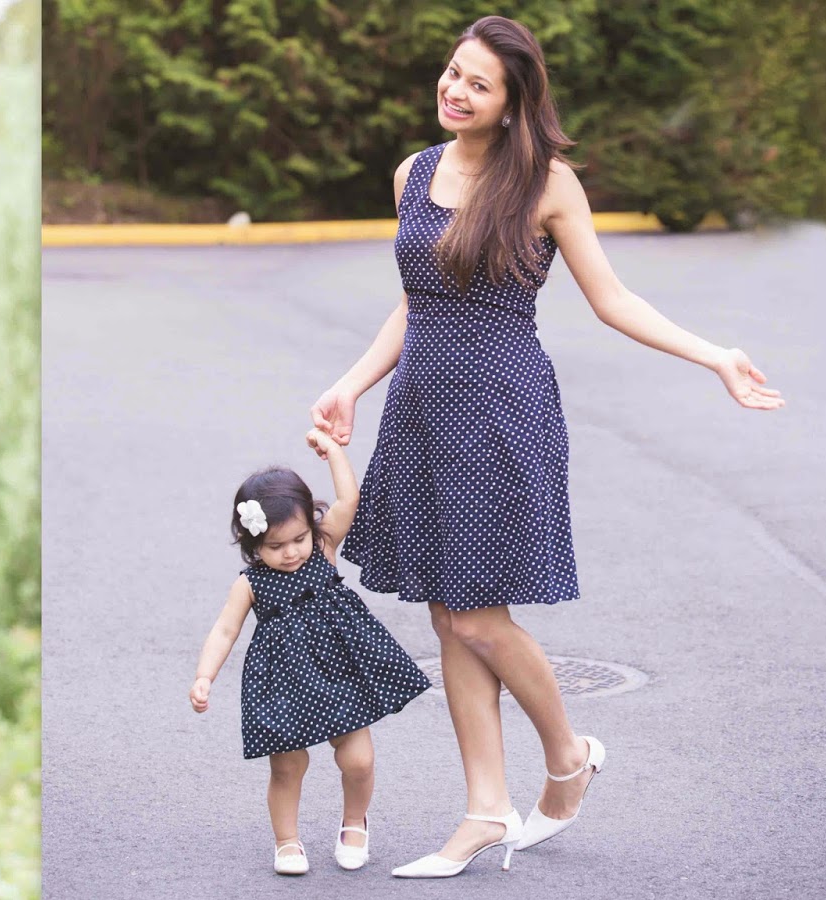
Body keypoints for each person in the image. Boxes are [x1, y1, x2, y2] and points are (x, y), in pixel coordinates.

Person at [310, 15, 785, 880]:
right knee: (446, 613)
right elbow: (417, 300)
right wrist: (351, 383)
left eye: (478, 84)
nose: (455, 91)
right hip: (421, 409)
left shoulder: (546, 183)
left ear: (512, 102)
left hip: (502, 408)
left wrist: (716, 354)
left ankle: (567, 758)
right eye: (453, 74)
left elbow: (612, 299)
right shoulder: (413, 173)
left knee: (476, 614)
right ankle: (485, 811)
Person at [189, 429, 430, 875]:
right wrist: (206, 675)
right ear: (252, 544)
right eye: (274, 546)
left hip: (339, 671)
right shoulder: (250, 584)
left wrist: (334, 452)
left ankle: (355, 822)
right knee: (287, 766)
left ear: (311, 527)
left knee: (358, 759)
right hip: (283, 681)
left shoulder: (323, 549)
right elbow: (225, 630)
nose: (290, 552)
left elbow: (349, 499)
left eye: (297, 539)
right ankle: (287, 841)